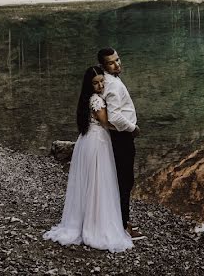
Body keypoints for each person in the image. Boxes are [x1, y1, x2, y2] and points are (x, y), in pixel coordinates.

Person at [43, 67, 133, 252]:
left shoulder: (86, 99)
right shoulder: (96, 100)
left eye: (102, 81)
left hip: (87, 141)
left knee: (89, 182)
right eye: (96, 82)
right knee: (98, 183)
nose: (100, 85)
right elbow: (107, 122)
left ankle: (86, 220)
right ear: (89, 84)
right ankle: (97, 225)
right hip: (98, 143)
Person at [97, 47, 143, 239]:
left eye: (118, 60)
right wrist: (133, 128)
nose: (117, 64)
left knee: (119, 180)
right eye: (111, 62)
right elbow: (114, 116)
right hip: (122, 137)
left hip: (116, 138)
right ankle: (123, 225)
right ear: (103, 66)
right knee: (125, 182)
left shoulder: (108, 81)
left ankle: (119, 220)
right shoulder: (112, 85)